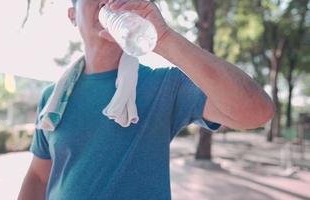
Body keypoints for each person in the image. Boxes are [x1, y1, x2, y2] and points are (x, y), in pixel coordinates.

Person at [18, 0, 274, 199]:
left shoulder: (165, 85)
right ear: (72, 15)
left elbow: (257, 112)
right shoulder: (53, 99)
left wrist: (163, 39)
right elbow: (39, 177)